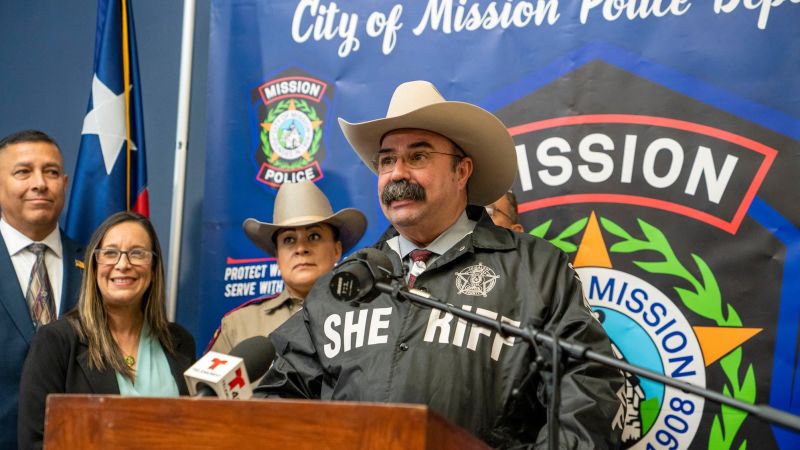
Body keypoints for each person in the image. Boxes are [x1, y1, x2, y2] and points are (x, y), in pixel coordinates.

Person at [256, 81, 623, 448]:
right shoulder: (346, 283)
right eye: (387, 160)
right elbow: (279, 397)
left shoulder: (536, 269)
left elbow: (587, 389)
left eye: (417, 157)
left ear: (462, 172)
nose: (398, 173)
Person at [18, 211, 195, 450]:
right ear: (93, 265)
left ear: (153, 269)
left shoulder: (180, 342)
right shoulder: (57, 342)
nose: (123, 265)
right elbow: (36, 442)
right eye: (110, 253)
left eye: (137, 253)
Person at [206, 180, 366, 354]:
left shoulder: (367, 314)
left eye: (314, 236)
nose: (301, 248)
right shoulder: (239, 326)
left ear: (337, 250)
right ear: (277, 255)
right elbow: (207, 383)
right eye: (289, 239)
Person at [0, 130, 83, 450]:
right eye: (23, 172)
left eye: (51, 172)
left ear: (64, 182)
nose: (39, 183)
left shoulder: (99, 268)